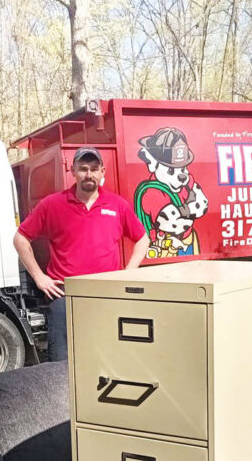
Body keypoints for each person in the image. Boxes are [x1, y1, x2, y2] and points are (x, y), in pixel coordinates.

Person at [14, 147, 150, 361]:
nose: (89, 174)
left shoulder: (117, 205)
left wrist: (129, 273)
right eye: (83, 169)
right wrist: (39, 277)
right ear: (73, 171)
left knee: (109, 355)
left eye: (94, 169)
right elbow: (20, 239)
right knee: (62, 360)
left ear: (102, 172)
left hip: (108, 294)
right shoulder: (52, 205)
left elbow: (142, 239)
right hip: (65, 295)